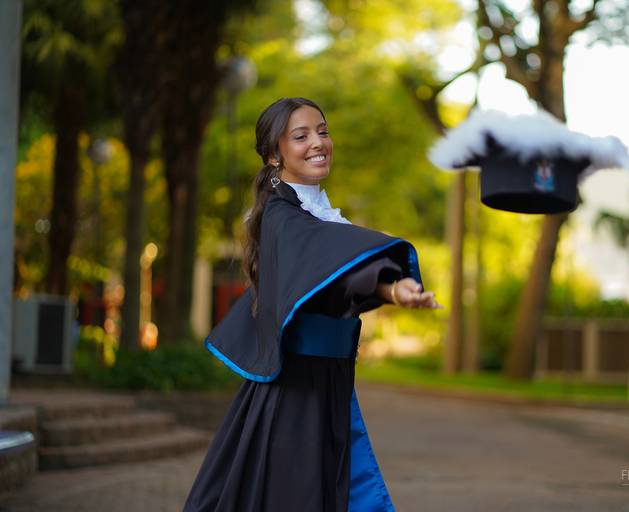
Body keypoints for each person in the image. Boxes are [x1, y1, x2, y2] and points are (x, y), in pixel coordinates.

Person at [183, 97, 441, 512]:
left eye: (322, 131)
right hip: (297, 391)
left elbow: (338, 275)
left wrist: (394, 289)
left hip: (330, 380)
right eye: (300, 136)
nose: (318, 143)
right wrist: (390, 289)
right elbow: (330, 278)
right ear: (274, 155)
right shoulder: (283, 219)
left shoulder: (321, 218)